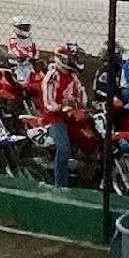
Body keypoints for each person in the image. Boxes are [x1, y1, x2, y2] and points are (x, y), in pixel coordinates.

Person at [38, 44, 88, 187]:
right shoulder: (52, 76)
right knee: (64, 149)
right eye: (74, 57)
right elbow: (49, 104)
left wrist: (82, 106)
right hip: (54, 118)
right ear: (64, 58)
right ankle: (60, 186)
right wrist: (65, 106)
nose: (77, 60)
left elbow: (82, 97)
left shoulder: (73, 76)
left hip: (72, 115)